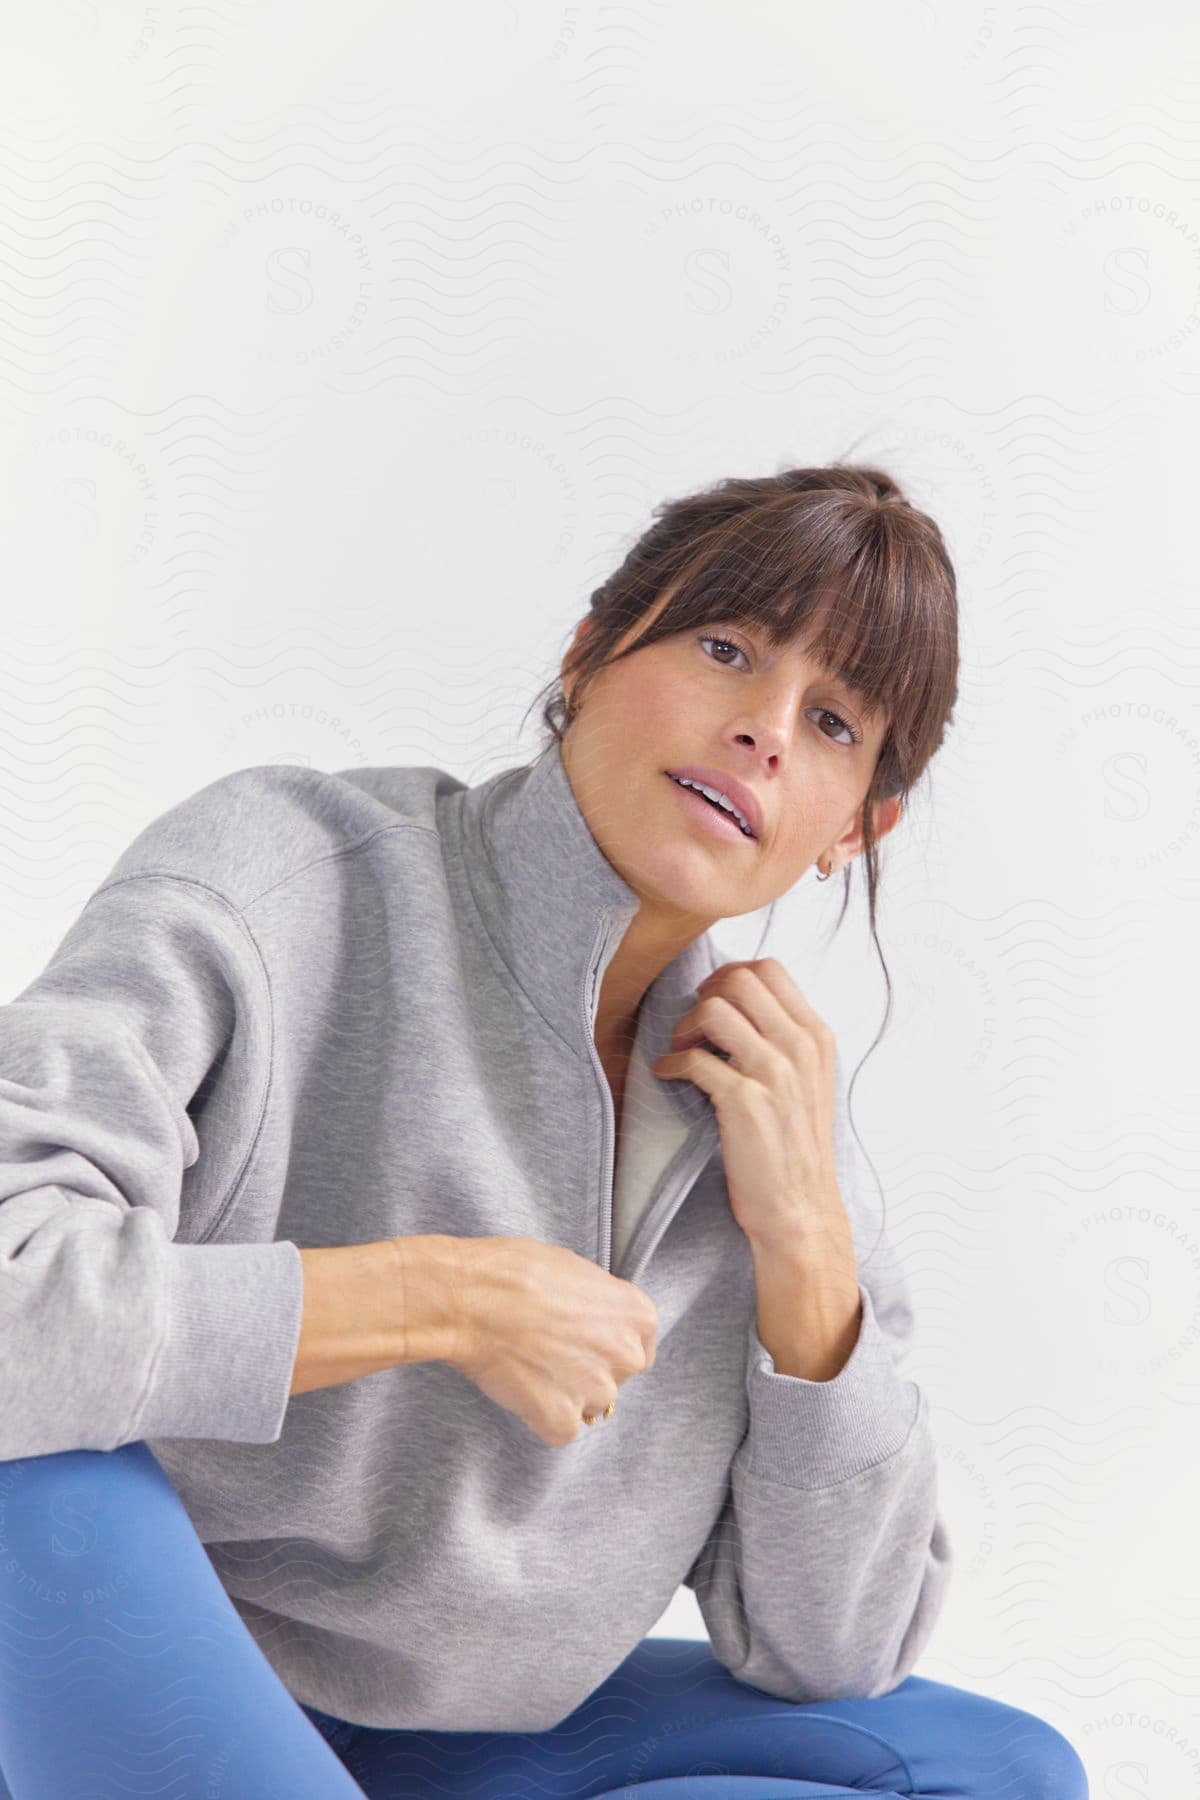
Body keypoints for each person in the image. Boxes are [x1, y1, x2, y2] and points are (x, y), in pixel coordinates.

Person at [0, 465, 1089, 1798]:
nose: (764, 730)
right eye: (726, 647)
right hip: (122, 1651)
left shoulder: (771, 1113)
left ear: (854, 830)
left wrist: (810, 1261)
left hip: (457, 1743)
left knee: (999, 1772)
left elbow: (834, 1649)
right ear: (589, 653)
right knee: (33, 1481)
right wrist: (436, 1296)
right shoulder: (281, 877)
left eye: (836, 724)